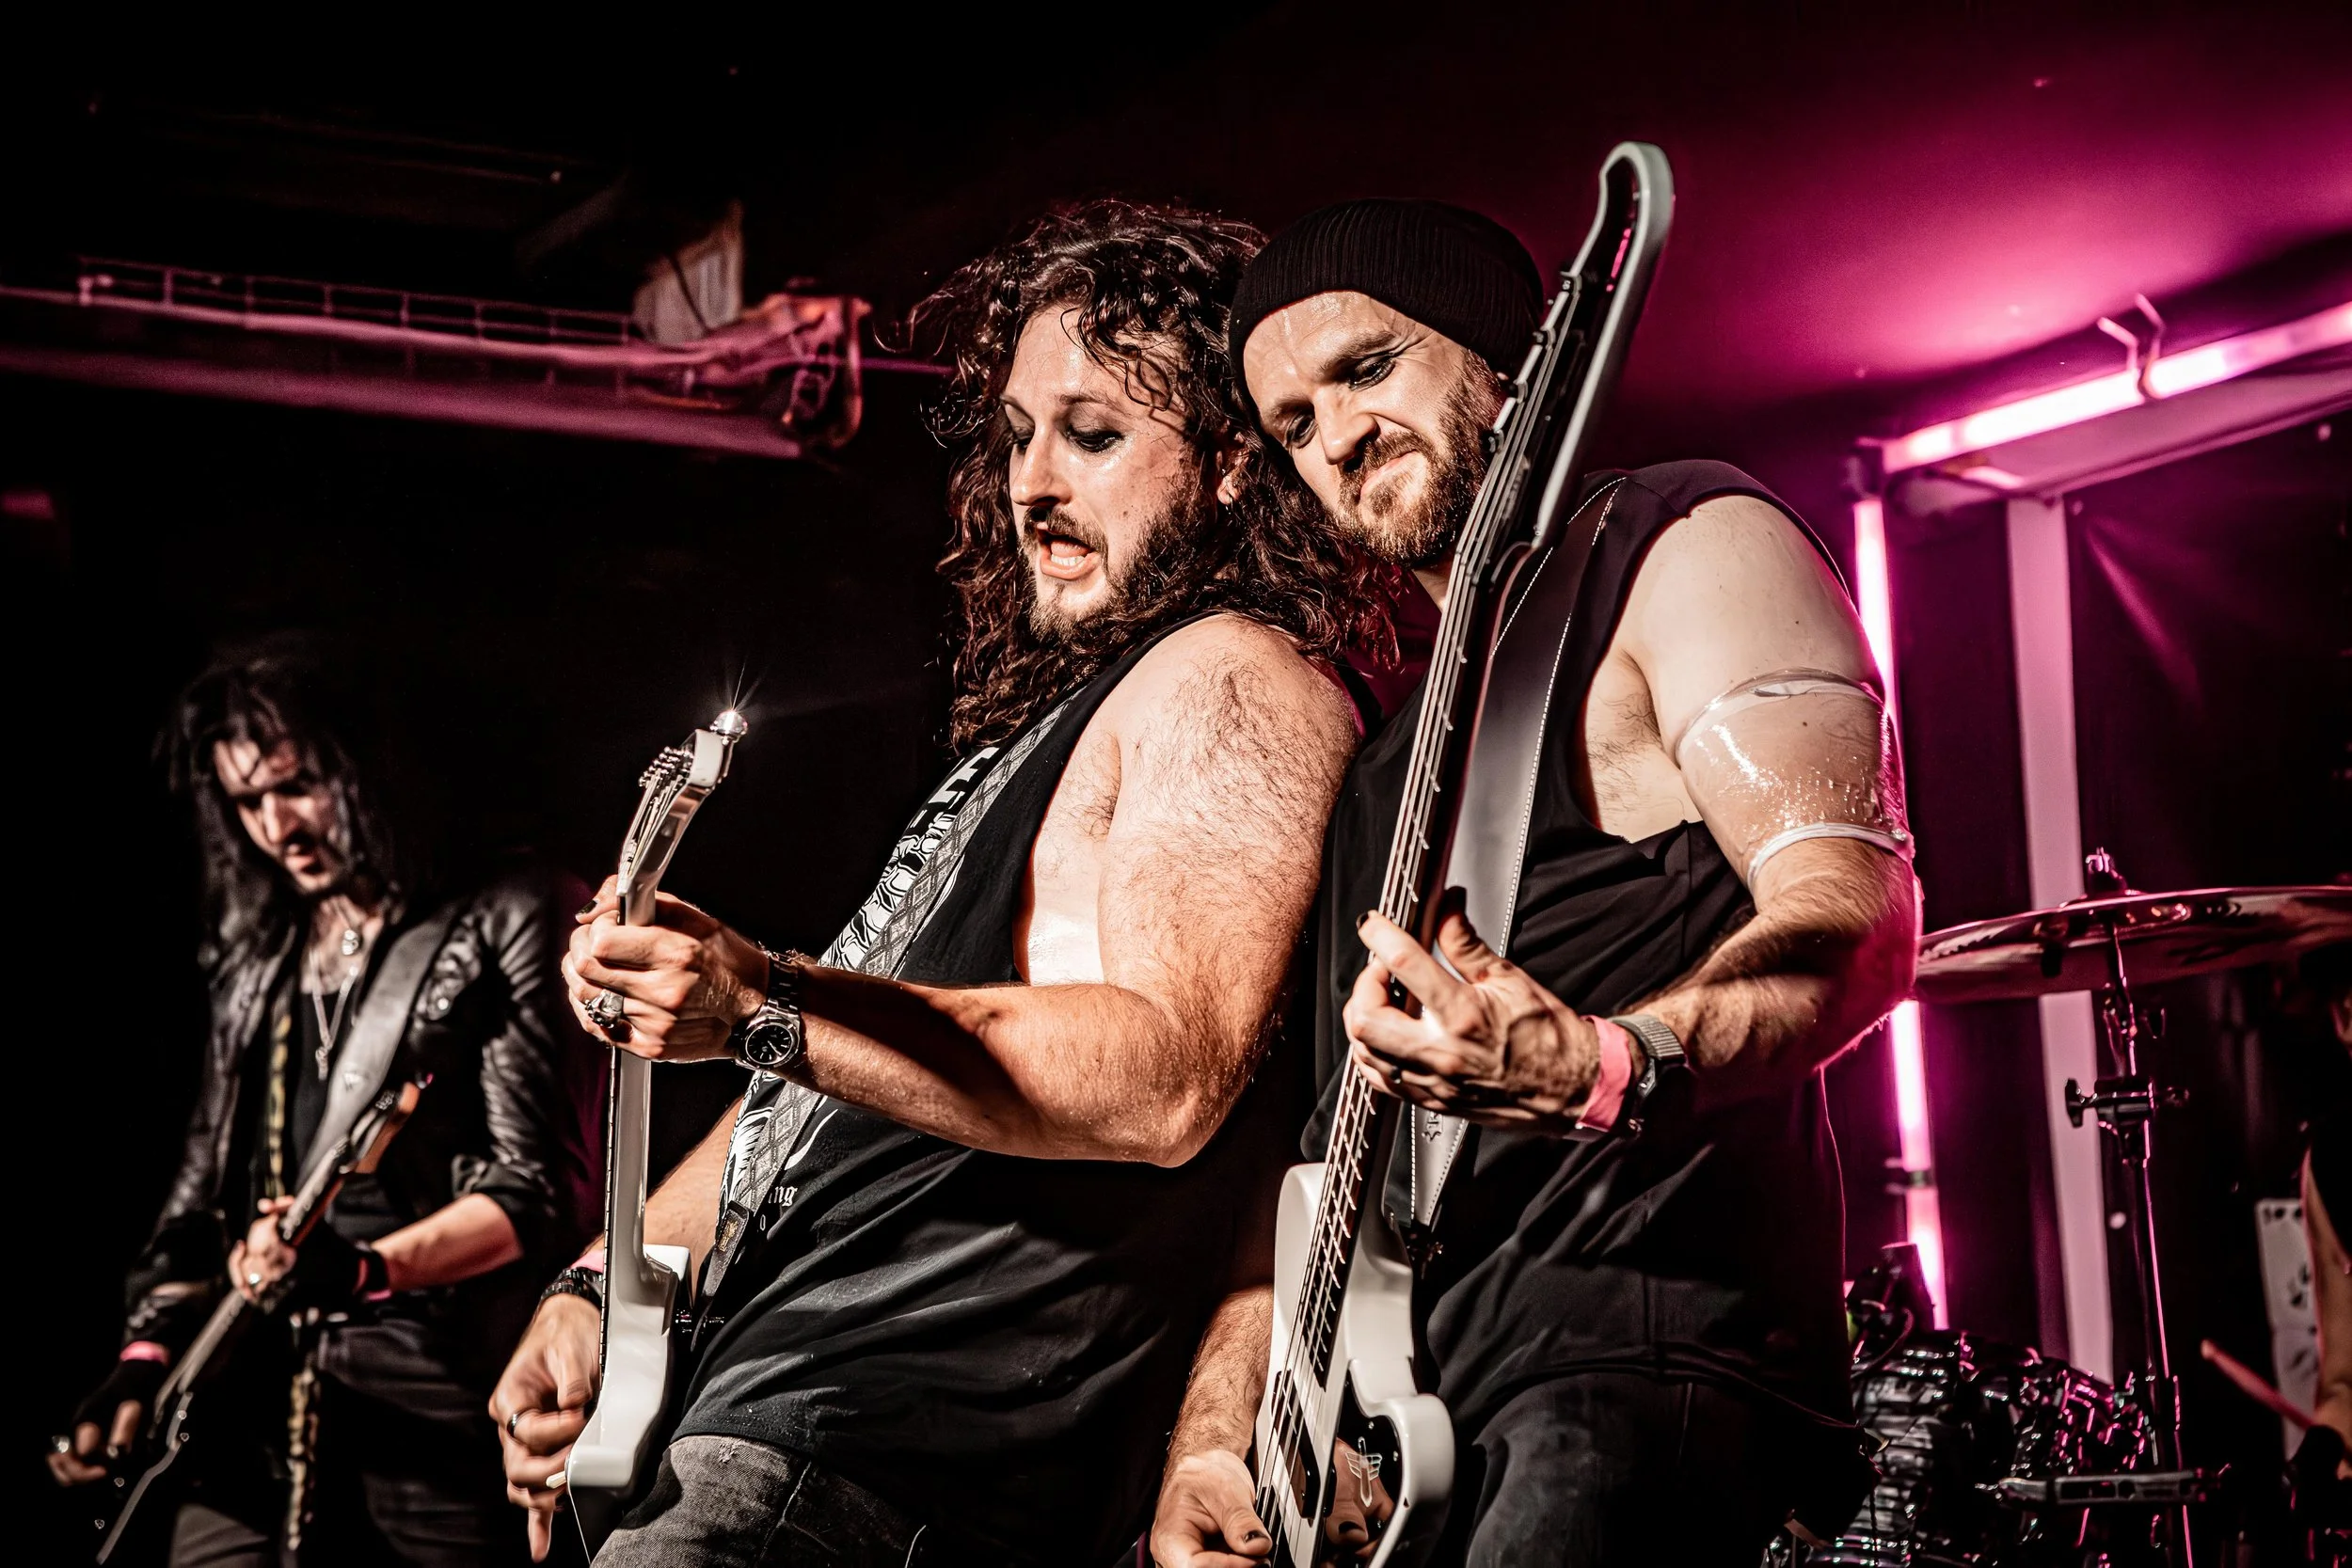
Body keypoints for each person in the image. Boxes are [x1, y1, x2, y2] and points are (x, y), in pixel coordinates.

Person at [491, 201, 1389, 1567]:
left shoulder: (1232, 674)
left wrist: (761, 998)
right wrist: (605, 1281)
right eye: (1018, 434)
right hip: (778, 1423)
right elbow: (814, 1102)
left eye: (1093, 435)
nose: (1033, 484)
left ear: (1225, 465)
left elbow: (1170, 1071)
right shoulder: (1074, 714)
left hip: (881, 1449)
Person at [1150, 200, 1920, 1567]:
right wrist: (1224, 1438)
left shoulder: (1679, 544)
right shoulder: (1382, 771)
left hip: (1633, 1365)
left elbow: (1853, 913)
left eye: (1367, 368)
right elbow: (1321, 1170)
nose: (1336, 436)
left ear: (1511, 359)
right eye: (1292, 422)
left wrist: (1604, 1063)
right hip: (1419, 1436)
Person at [47, 637, 600, 1566]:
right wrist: (146, 1356)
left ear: (370, 764)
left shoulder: (507, 910)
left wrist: (361, 1270)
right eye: (247, 800)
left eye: (298, 785)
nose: (277, 827)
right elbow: (197, 1193)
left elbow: (540, 1192)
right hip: (249, 1410)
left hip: (437, 1408)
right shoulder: (259, 952)